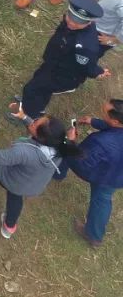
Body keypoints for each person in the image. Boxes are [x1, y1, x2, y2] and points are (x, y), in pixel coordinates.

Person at [0, 107, 81, 239]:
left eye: (35, 122)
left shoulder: (24, 152)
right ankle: (9, 227)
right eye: (38, 119)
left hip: (12, 180)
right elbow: (44, 132)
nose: (34, 120)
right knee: (15, 197)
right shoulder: (62, 146)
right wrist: (24, 117)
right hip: (32, 185)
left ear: (40, 138)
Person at [13, 0, 110, 119]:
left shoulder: (85, 45)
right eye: (71, 17)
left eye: (79, 22)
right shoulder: (69, 22)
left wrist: (98, 72)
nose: (71, 22)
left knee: (34, 88)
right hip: (53, 63)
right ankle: (34, 104)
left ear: (89, 22)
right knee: (40, 85)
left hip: (64, 74)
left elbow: (87, 66)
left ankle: (29, 113)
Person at [68, 98, 123, 247]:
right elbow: (115, 127)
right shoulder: (117, 127)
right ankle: (95, 234)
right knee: (104, 198)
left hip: (110, 175)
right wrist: (95, 122)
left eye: (104, 113)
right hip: (119, 172)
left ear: (116, 121)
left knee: (101, 199)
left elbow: (81, 163)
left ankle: (93, 235)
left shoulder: (102, 142)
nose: (101, 113)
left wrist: (71, 143)